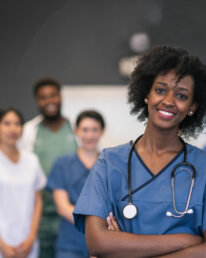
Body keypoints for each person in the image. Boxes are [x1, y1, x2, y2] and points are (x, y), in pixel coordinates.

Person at [73, 45, 206, 257]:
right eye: (160, 90)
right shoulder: (109, 162)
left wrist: (125, 247)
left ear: (192, 107)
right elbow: (98, 242)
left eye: (181, 96)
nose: (168, 101)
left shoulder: (203, 166)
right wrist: (185, 240)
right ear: (146, 95)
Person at [20, 78, 77, 258]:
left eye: (53, 95)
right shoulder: (29, 131)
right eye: (43, 97)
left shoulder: (75, 128)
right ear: (37, 101)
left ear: (60, 97)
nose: (49, 101)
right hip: (40, 214)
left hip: (71, 212)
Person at [46, 110, 105, 258]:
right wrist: (96, 226)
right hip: (70, 245)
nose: (90, 135)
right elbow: (63, 207)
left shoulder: (110, 164)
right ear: (76, 131)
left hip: (103, 244)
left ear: (102, 132)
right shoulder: (62, 164)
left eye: (95, 129)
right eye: (85, 130)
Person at [0, 108, 46, 258]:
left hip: (27, 242)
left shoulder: (31, 160)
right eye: (7, 123)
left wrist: (31, 238)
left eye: (17, 123)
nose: (13, 129)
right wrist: (2, 245)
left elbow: (37, 201)